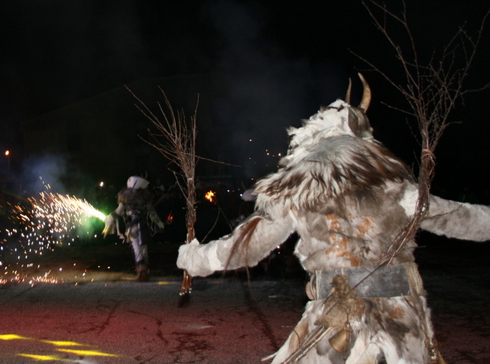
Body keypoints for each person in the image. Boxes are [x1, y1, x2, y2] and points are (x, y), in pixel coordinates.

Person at [177, 77, 490, 363]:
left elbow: (246, 247)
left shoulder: (297, 189)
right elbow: (463, 219)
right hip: (396, 325)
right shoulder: (397, 189)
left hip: (336, 321)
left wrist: (194, 258)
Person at [104, 176, 164, 281]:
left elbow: (118, 212)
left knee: (138, 250)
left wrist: (110, 218)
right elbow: (152, 213)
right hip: (141, 226)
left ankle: (142, 274)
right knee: (143, 250)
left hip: (134, 227)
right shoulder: (144, 198)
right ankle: (145, 273)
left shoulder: (127, 199)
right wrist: (159, 222)